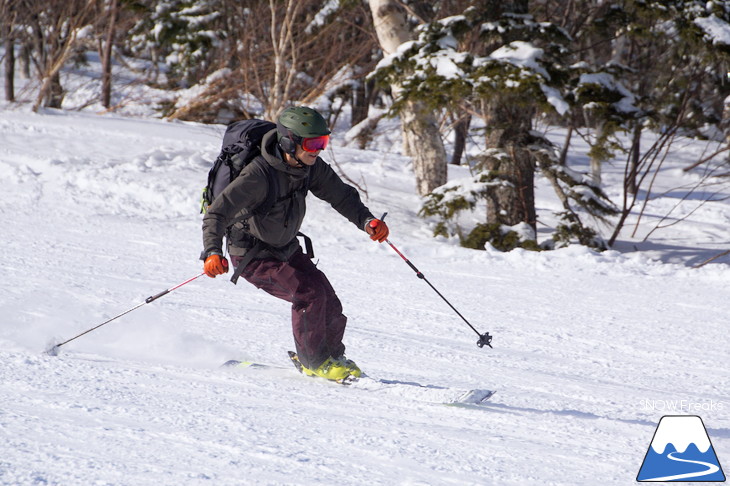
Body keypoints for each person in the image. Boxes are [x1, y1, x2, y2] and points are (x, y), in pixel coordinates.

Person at [201, 106, 389, 381]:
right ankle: (315, 361)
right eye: (313, 143)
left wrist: (366, 221)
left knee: (328, 298)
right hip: (253, 255)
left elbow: (342, 197)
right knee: (309, 294)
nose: (318, 150)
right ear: (290, 141)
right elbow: (217, 213)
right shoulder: (258, 175)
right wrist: (212, 252)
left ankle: (332, 357)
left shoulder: (309, 167)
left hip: (286, 248)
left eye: (323, 142)